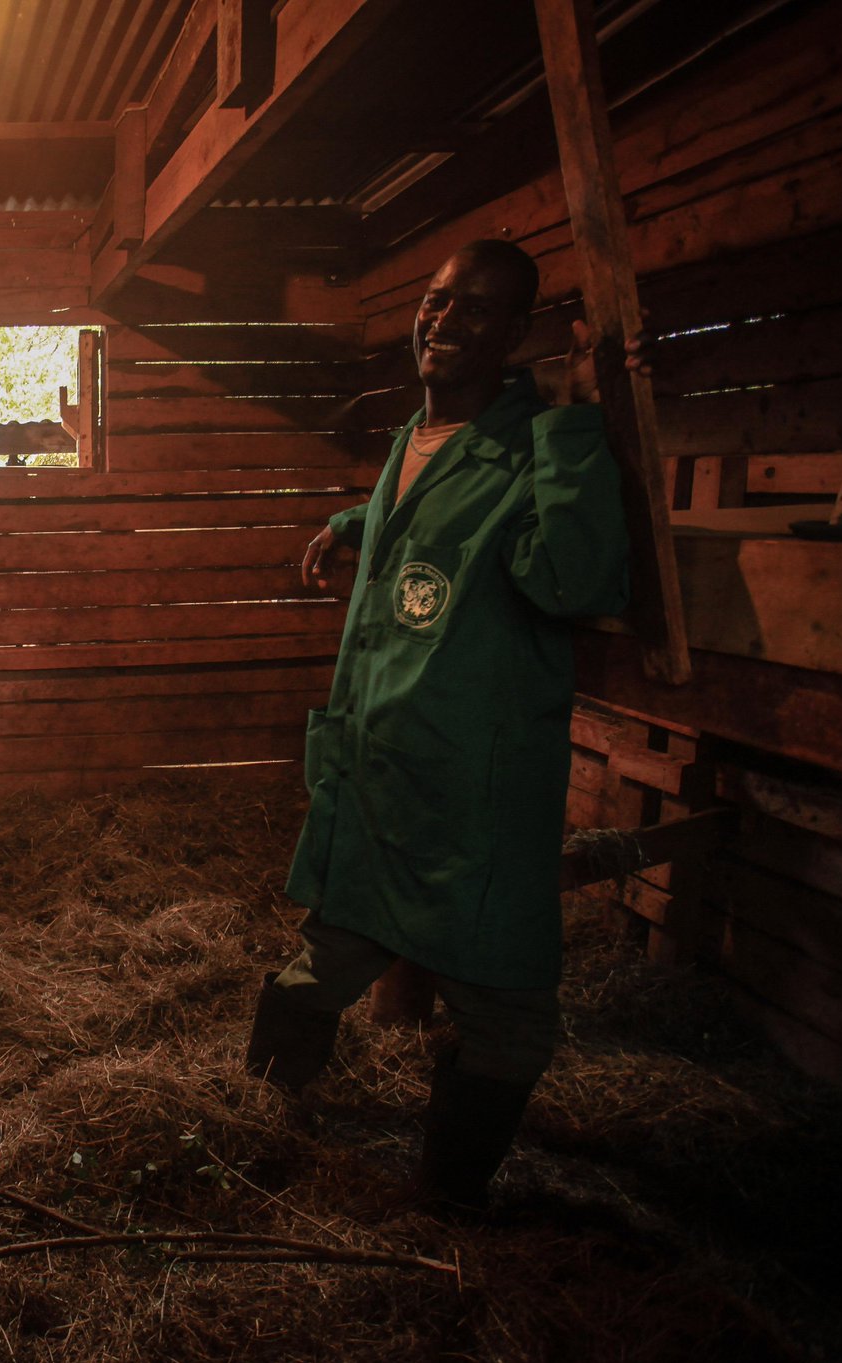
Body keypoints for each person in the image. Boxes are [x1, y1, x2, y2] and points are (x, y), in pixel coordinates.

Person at [244, 238, 641, 1211]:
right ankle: (251, 1127)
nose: (442, 320)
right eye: (434, 299)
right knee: (318, 963)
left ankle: (442, 1205)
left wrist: (573, 421)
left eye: (474, 309)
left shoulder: (529, 446)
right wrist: (349, 523)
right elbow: (427, 524)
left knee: (504, 1012)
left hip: (472, 791)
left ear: (512, 336)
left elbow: (576, 578)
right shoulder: (411, 445)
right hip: (377, 770)